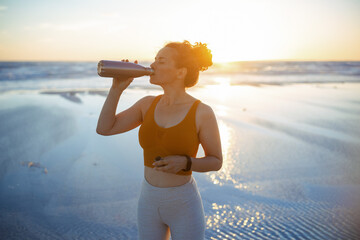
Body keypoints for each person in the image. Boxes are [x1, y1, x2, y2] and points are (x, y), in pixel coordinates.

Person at [96, 40, 223, 240]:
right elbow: (104, 128)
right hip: (148, 199)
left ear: (181, 72)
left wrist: (186, 162)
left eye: (161, 61)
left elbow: (216, 161)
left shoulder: (202, 112)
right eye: (154, 59)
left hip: (183, 203)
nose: (153, 65)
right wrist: (116, 89)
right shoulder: (147, 105)